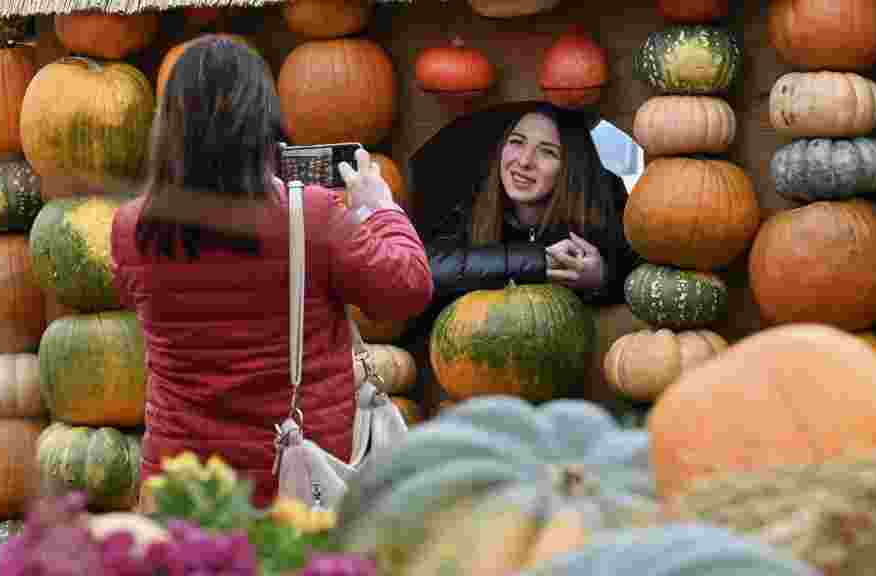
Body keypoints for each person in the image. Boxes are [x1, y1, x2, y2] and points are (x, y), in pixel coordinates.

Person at [110, 36, 433, 508]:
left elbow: (139, 295)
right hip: (293, 483)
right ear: (263, 121)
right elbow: (406, 288)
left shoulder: (130, 228)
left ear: (170, 128)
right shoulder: (313, 217)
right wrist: (378, 209)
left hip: (181, 484)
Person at [421, 102, 637, 318]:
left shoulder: (603, 206)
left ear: (571, 167)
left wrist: (601, 279)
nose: (524, 161)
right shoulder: (473, 202)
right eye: (517, 142)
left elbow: (642, 278)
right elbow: (429, 268)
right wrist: (539, 261)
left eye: (547, 152)